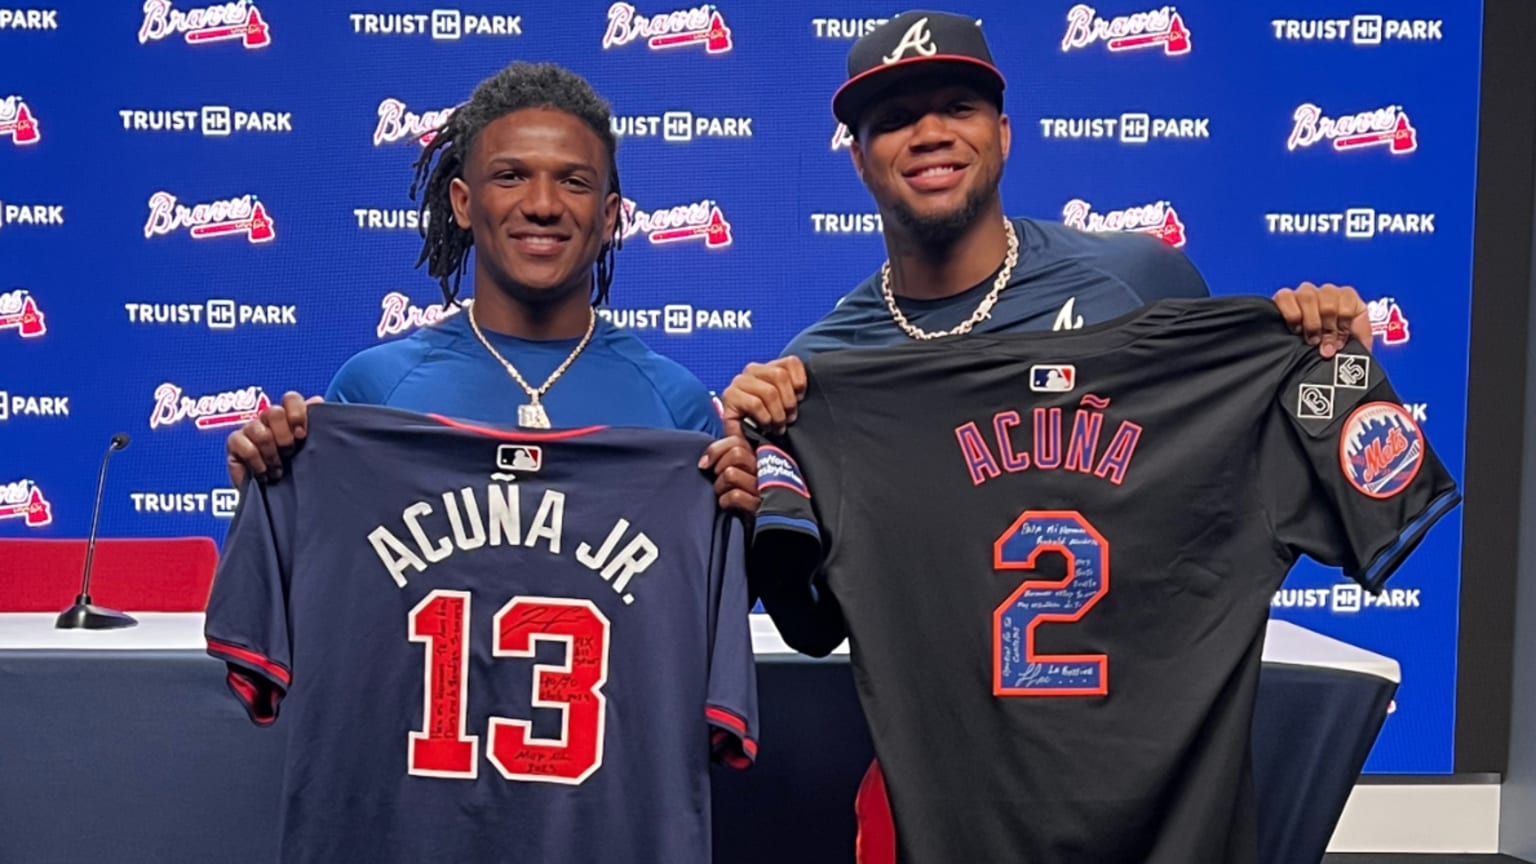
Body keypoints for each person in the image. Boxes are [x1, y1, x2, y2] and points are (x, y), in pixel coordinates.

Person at [720, 10, 1378, 863]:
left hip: (1151, 790)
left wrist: (1330, 371)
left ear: (1003, 131)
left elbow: (1240, 484)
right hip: (945, 806)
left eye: (956, 106)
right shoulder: (823, 368)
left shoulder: (1141, 278)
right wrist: (757, 464)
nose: (928, 134)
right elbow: (816, 625)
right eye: (893, 119)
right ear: (856, 153)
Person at [224, 61, 756, 514]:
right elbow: (320, 591)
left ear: (610, 215)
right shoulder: (373, 391)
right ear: (462, 203)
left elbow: (706, 608)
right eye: (510, 177)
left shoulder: (678, 406)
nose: (543, 205)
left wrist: (746, 524)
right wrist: (273, 491)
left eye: (574, 181)